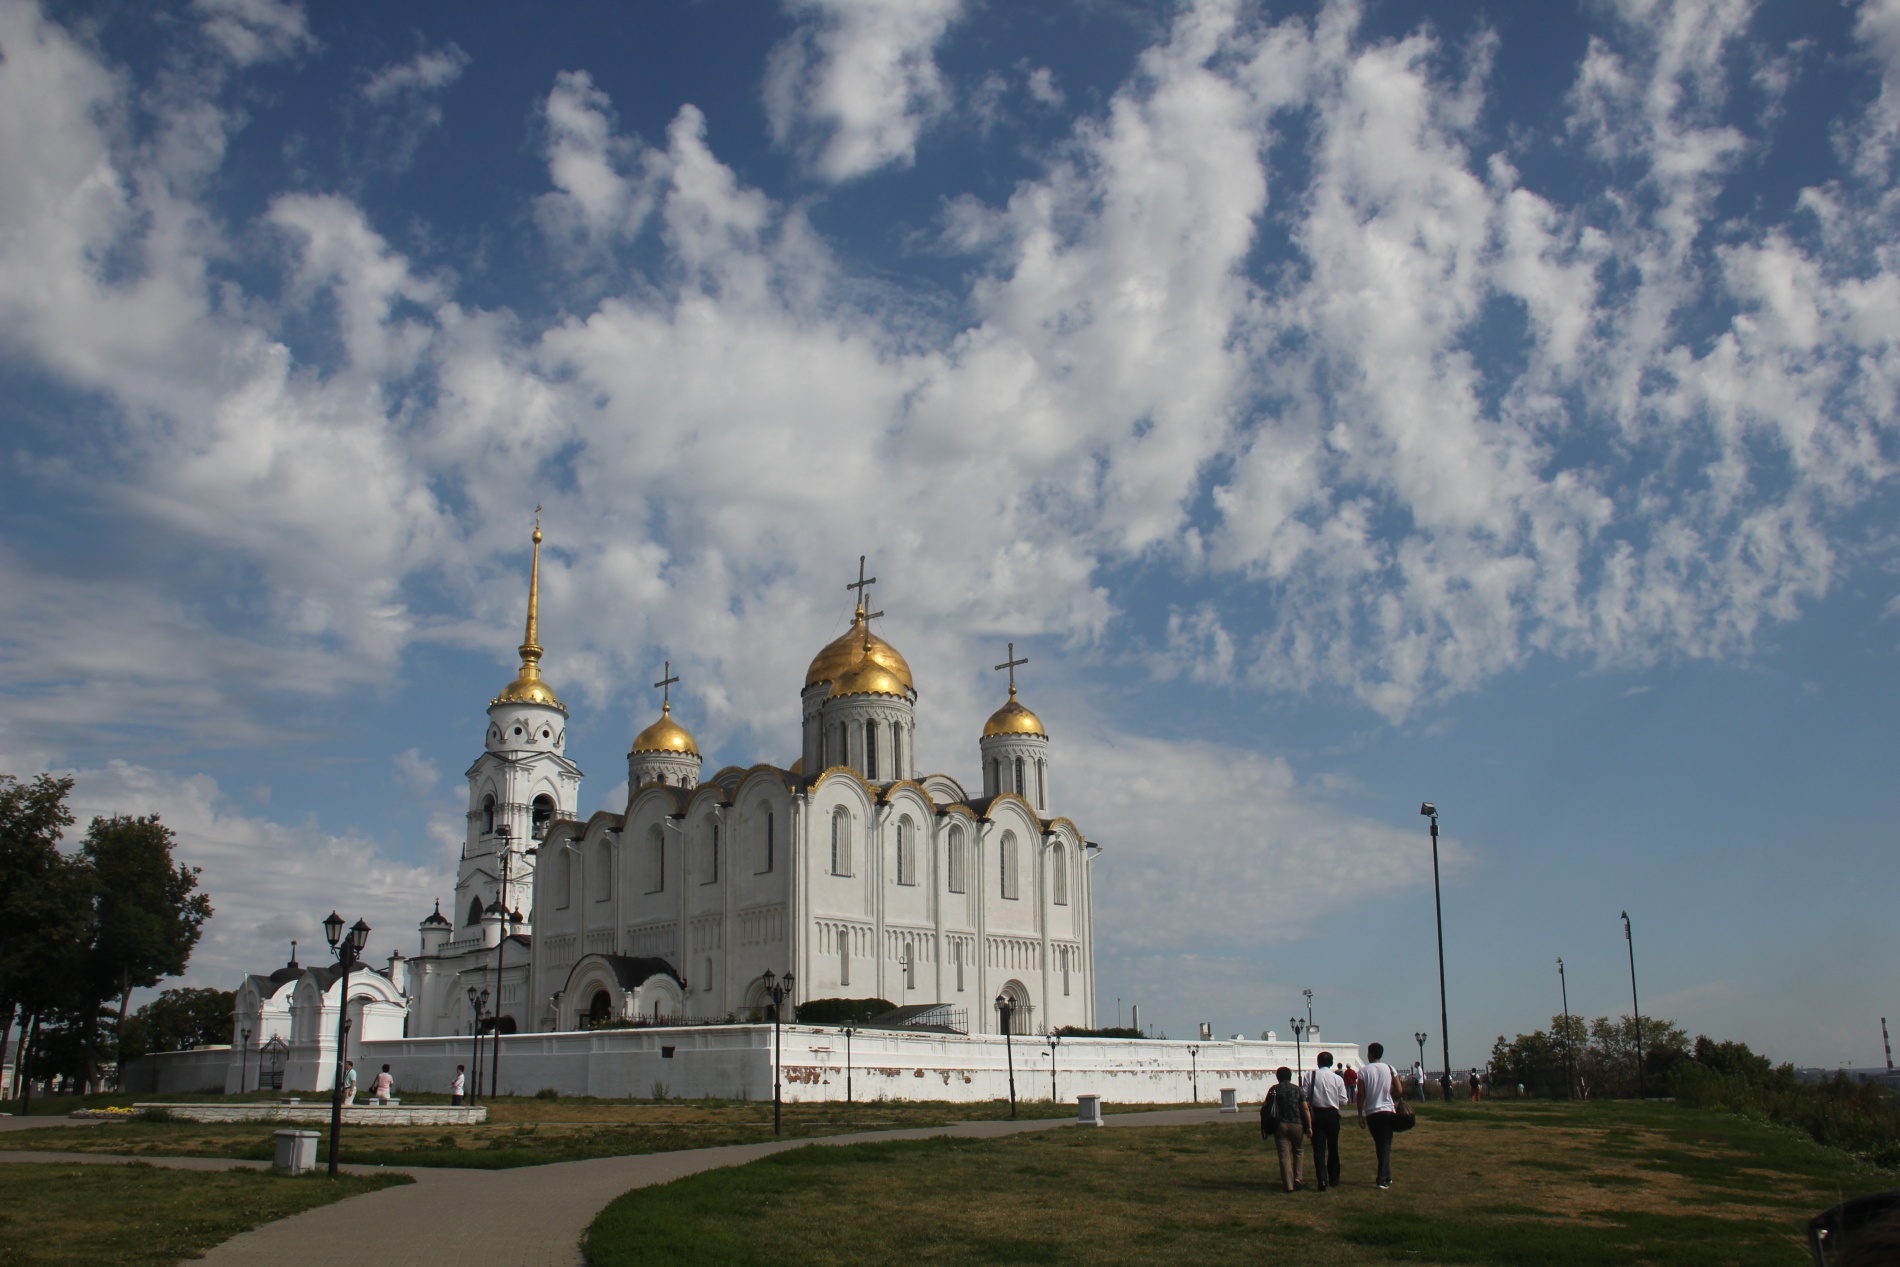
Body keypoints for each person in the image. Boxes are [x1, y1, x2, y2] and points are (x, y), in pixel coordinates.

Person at [1260, 1066, 1312, 1192]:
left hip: (1280, 1125)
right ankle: (1298, 1178)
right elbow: (1305, 1108)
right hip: (1297, 1123)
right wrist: (1309, 1126)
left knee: (1284, 1155)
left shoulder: (1274, 1089)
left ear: (1278, 1077)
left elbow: (1266, 1106)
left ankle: (1288, 1185)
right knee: (1299, 1151)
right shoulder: (1297, 1089)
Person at [1357, 1042, 1401, 1189]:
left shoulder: (1363, 1072)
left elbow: (1361, 1094)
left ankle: (1382, 1178)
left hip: (1372, 1112)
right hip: (1387, 1110)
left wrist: (1359, 1114)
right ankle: (1385, 1175)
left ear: (1370, 1054)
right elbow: (1400, 1089)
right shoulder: (1390, 1068)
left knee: (1380, 1143)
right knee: (1385, 1143)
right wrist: (1390, 1095)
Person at [1302, 1051, 1348, 1192]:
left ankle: (1322, 1180)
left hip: (1316, 1114)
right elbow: (1344, 1101)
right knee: (1333, 1147)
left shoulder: (1311, 1075)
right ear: (1331, 1063)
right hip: (1333, 1114)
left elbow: (1304, 1095)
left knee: (1319, 1149)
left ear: (1318, 1062)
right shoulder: (1337, 1078)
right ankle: (1334, 1179)